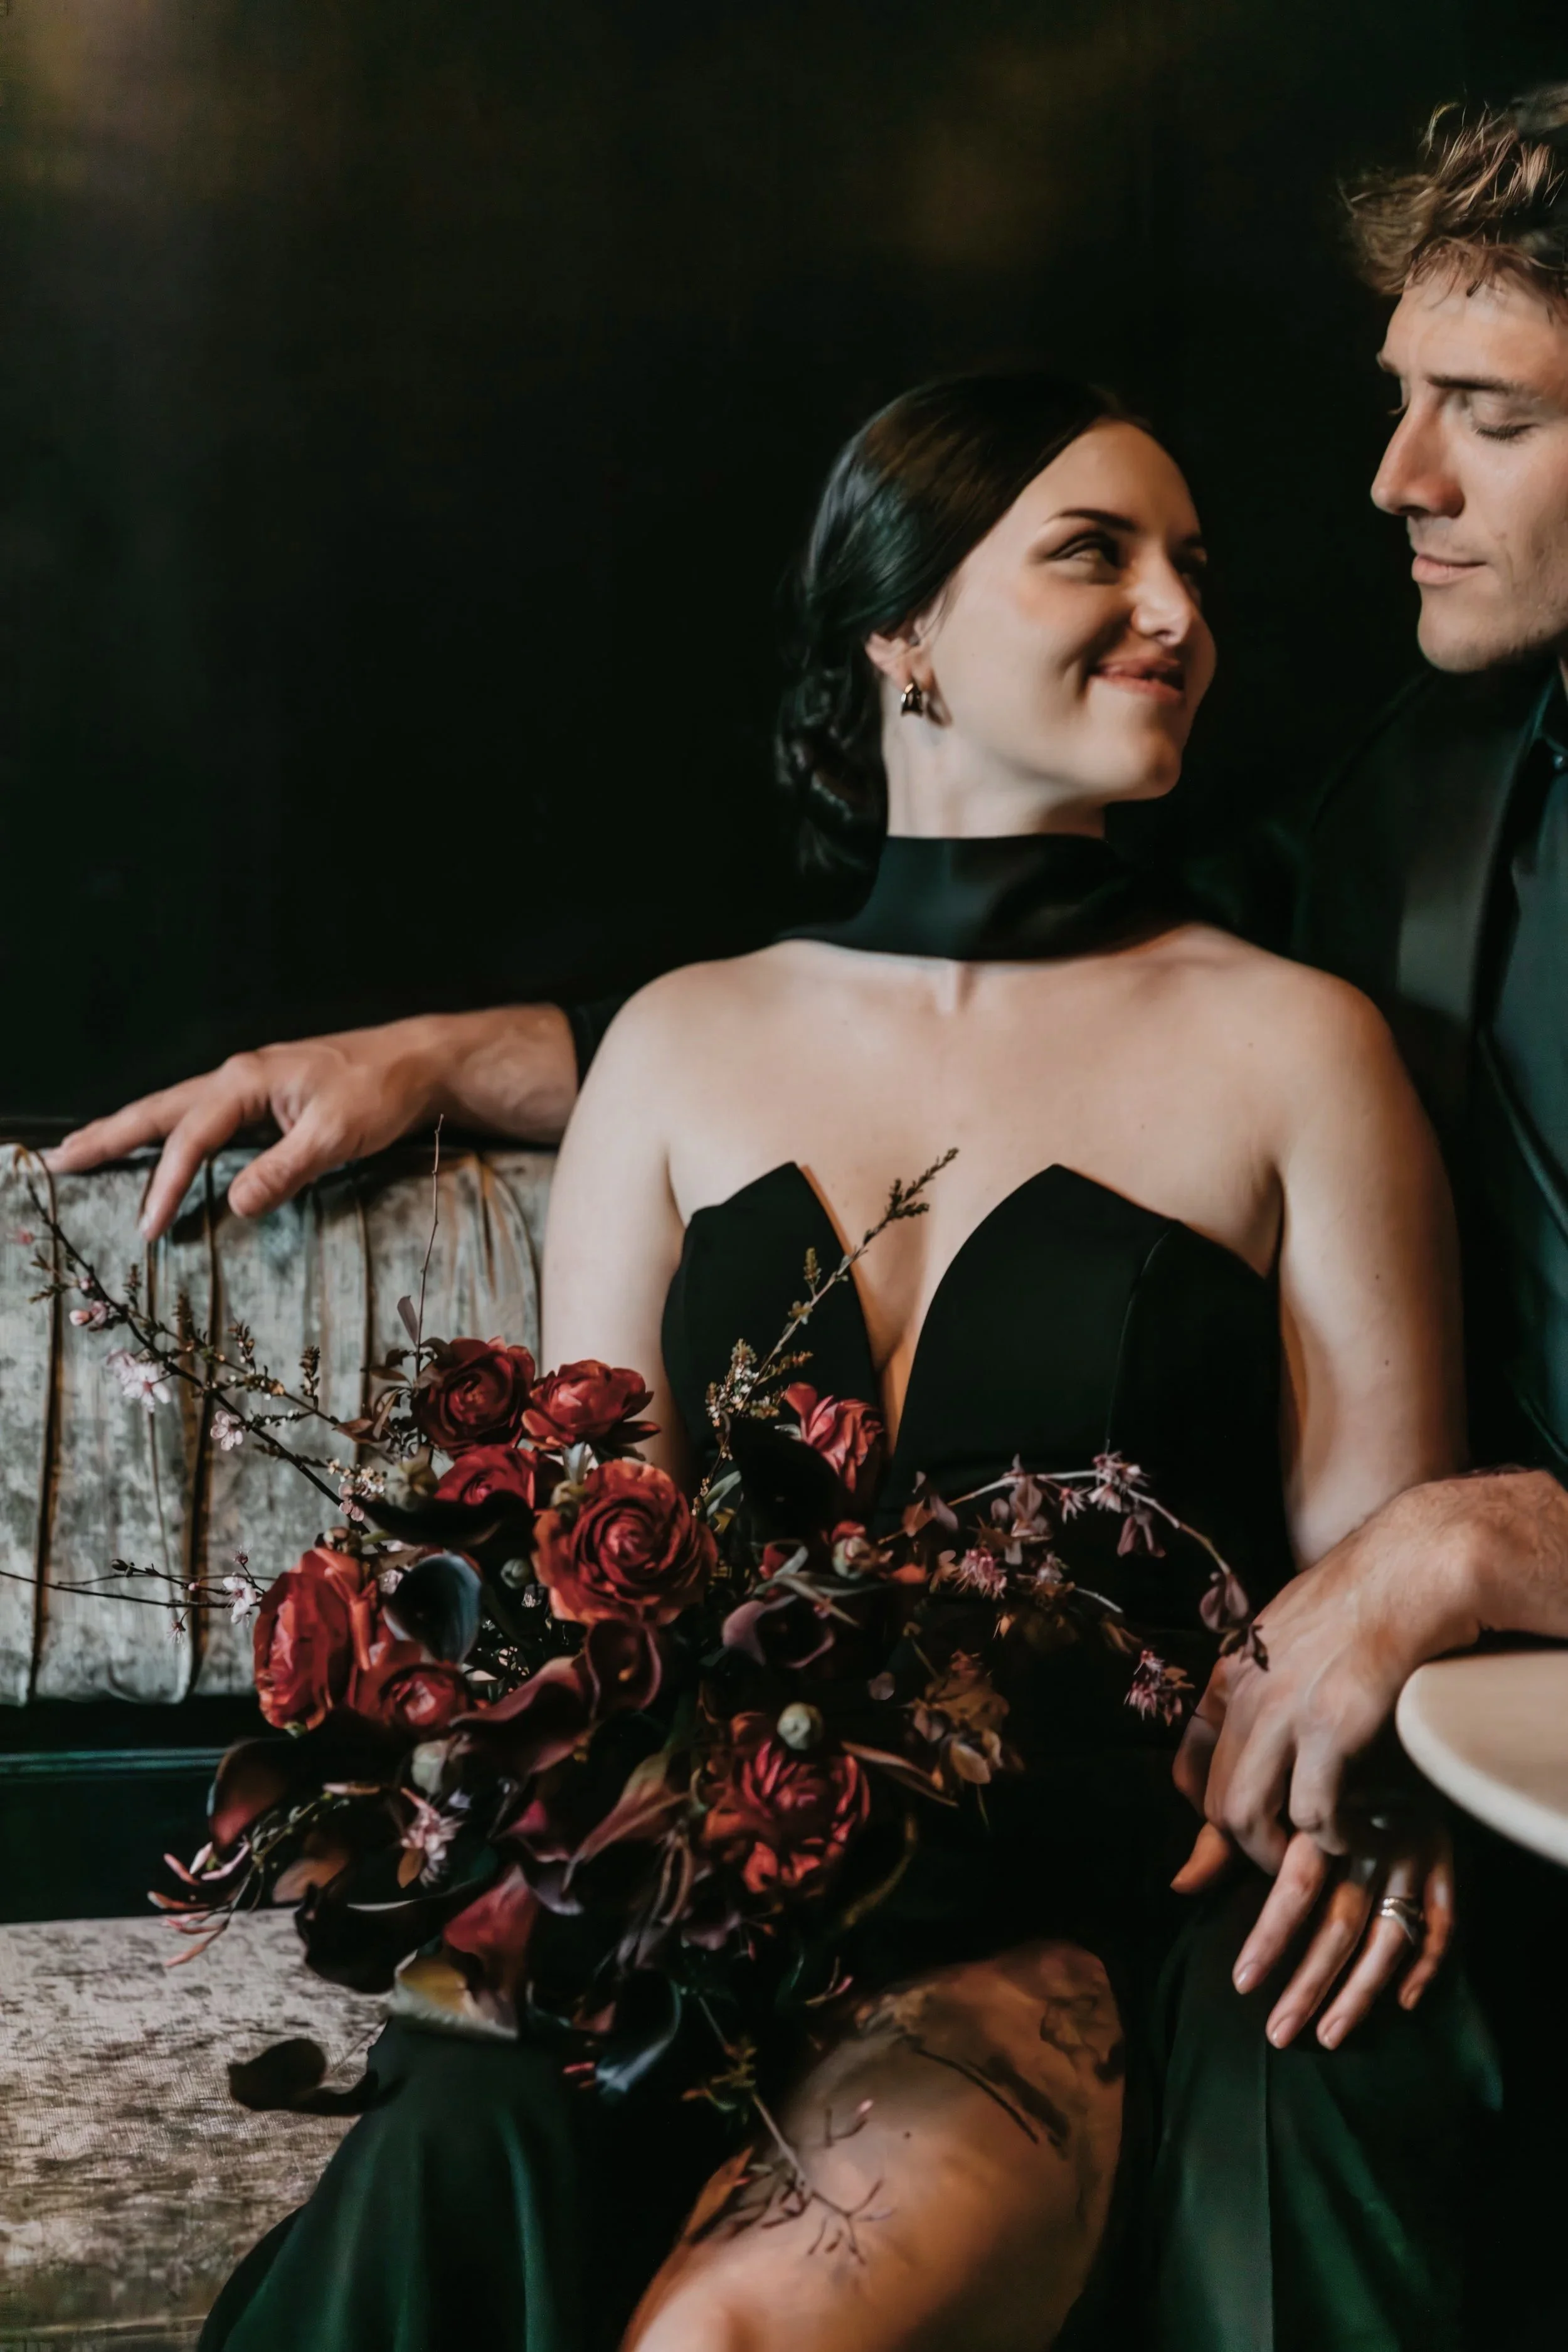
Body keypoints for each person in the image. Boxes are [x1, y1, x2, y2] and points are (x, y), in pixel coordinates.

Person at [201, 376, 1490, 2352]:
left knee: (728, 2337)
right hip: (678, 1934)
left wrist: (1374, 1779)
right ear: (899, 627)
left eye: (1191, 569)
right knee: (450, 2167)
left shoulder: (1300, 1051)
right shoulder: (679, 1046)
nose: (1174, 612)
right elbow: (580, 1572)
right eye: (1094, 551)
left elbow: (1364, 1587)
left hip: (1039, 1944)